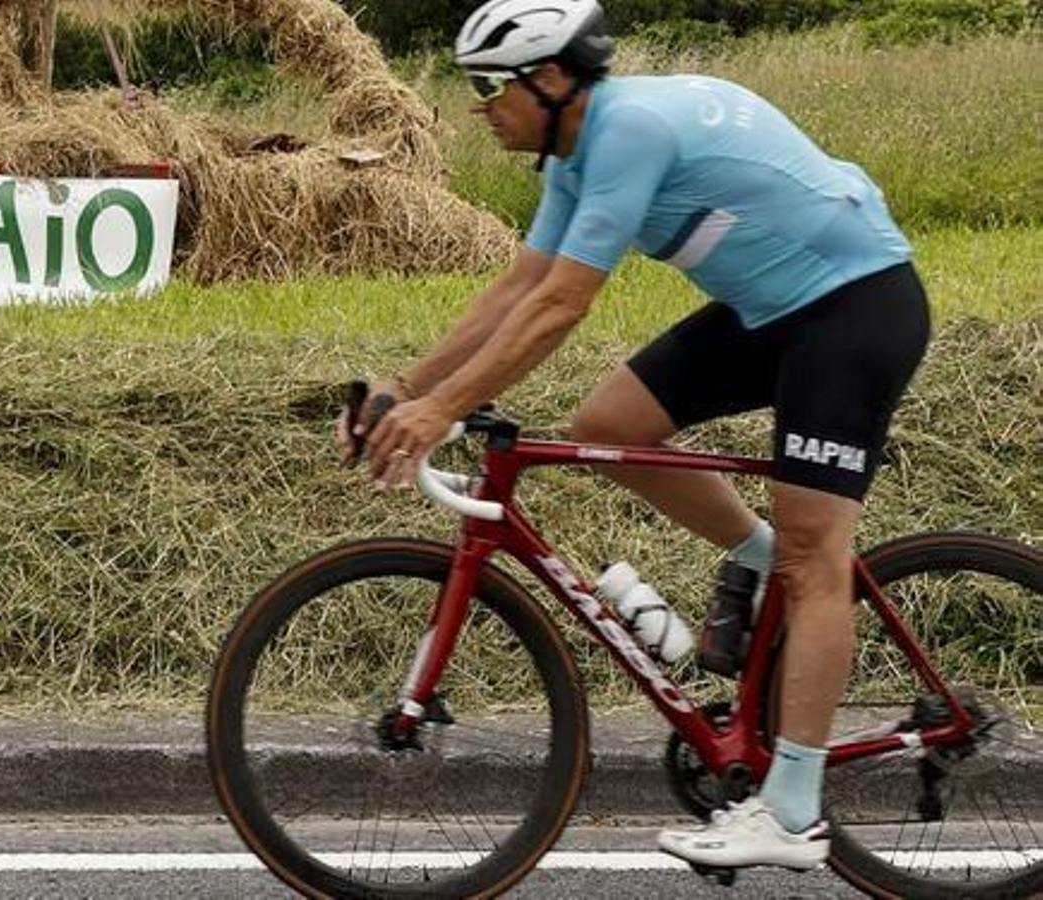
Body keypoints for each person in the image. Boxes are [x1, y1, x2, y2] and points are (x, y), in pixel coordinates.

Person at [342, 0, 931, 874]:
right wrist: (412, 387)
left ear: (550, 82)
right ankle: (760, 558)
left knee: (820, 559)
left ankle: (794, 813)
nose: (479, 108)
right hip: (776, 310)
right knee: (610, 425)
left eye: (488, 87)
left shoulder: (630, 131)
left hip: (854, 306)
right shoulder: (575, 156)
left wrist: (439, 411)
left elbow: (561, 306)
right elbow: (522, 284)